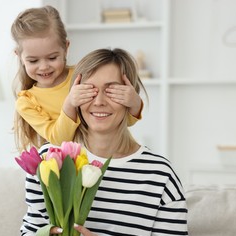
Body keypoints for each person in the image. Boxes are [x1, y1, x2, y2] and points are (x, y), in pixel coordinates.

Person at [19, 48, 188, 236]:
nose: (99, 101)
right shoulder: (50, 160)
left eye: (112, 91)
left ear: (131, 97)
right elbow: (28, 234)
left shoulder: (160, 174)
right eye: (88, 90)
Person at [11, 5, 143, 152]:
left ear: (66, 48)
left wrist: (135, 102)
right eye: (33, 61)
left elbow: (125, 121)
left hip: (111, 154)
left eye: (52, 58)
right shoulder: (26, 101)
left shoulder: (84, 75)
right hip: (73, 167)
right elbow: (58, 140)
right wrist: (70, 103)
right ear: (19, 56)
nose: (43, 67)